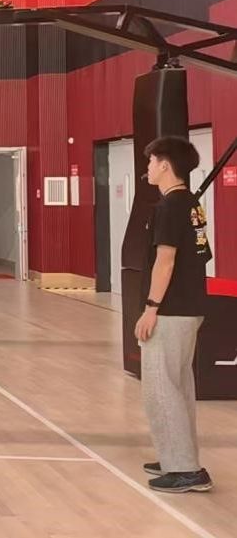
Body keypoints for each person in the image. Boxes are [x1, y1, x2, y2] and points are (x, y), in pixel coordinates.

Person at [135, 135, 214, 493]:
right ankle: (176, 455)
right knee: (179, 385)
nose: (148, 168)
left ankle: (184, 468)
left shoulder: (169, 207)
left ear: (165, 165)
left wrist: (151, 308)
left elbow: (165, 261)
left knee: (162, 389)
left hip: (170, 311)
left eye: (151, 162)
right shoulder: (192, 203)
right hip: (190, 306)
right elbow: (202, 254)